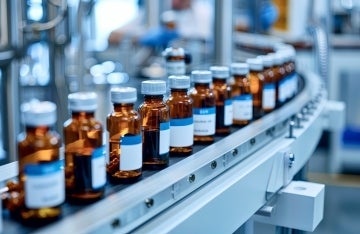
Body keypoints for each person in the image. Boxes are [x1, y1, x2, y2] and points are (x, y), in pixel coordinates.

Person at [107, 0, 213, 47]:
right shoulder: (153, 9)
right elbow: (112, 37)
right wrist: (141, 38)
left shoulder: (204, 13)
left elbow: (206, 42)